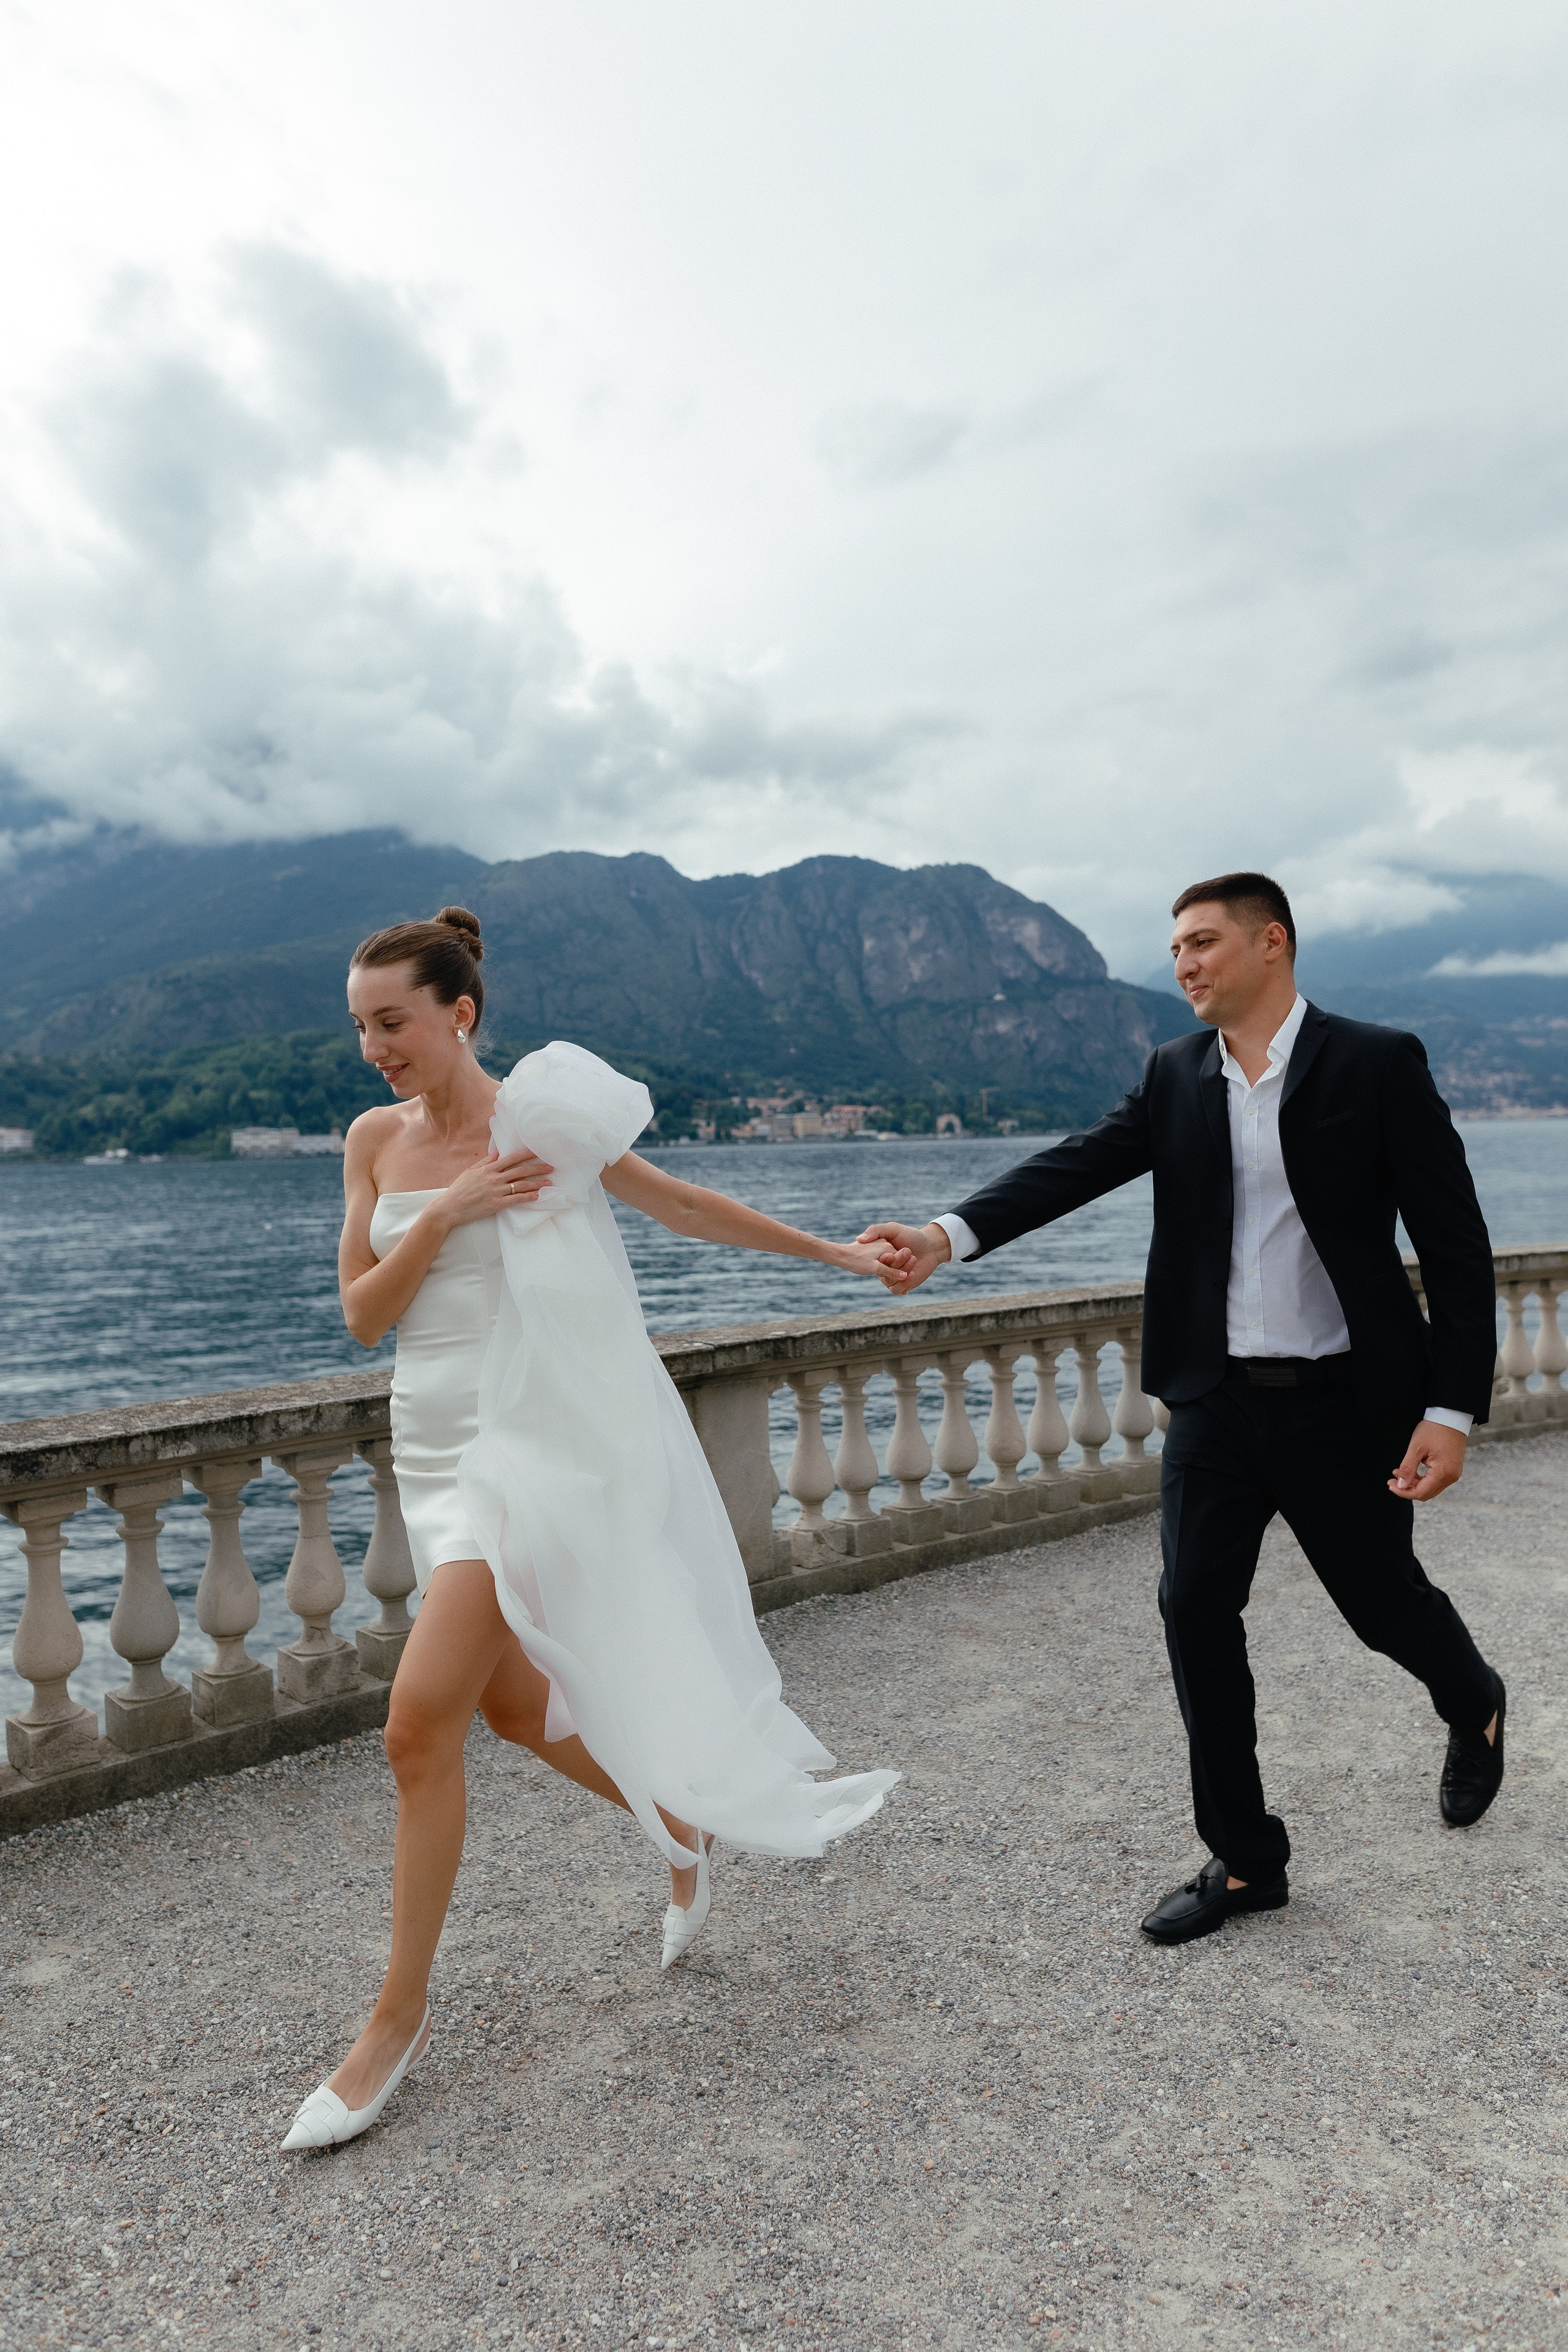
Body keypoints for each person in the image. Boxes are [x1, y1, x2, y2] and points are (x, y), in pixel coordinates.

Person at [282, 907, 900, 2152]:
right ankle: (673, 1827)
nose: (372, 1049)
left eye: (390, 1022)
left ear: (456, 1013)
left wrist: (834, 1252)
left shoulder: (546, 1124)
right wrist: (450, 1209)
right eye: (358, 1027)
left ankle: (393, 2022)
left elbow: (680, 1205)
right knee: (512, 1709)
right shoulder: (371, 1140)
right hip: (431, 1440)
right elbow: (361, 1315)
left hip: (530, 1447)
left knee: (416, 1731)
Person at [861, 871, 1504, 1946]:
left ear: (1272, 945)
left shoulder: (1376, 1063)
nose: (1185, 965)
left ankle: (1472, 1697)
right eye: (1175, 951)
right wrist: (944, 1233)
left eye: (1204, 943)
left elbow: (1457, 1247)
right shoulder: (1172, 1074)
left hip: (1348, 1402)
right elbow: (1076, 1166)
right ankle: (1248, 1860)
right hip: (1216, 1400)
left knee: (1382, 1603)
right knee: (1193, 1607)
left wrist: (1452, 1408)